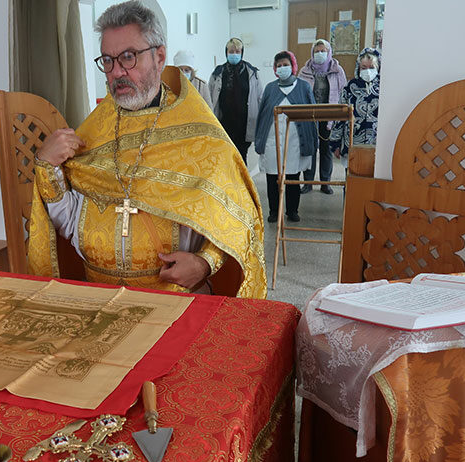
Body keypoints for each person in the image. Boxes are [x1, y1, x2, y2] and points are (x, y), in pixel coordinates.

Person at [28, 1, 267, 299]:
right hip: (99, 298)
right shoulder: (91, 135)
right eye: (107, 60)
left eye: (128, 57)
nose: (116, 72)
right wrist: (47, 166)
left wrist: (206, 263)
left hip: (176, 299)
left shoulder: (201, 138)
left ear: (159, 57)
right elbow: (71, 220)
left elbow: (236, 217)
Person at [254, 51, 318, 223]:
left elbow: (312, 115)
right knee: (272, 177)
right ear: (275, 69)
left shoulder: (303, 87)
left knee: (292, 176)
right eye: (279, 65)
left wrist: (313, 140)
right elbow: (262, 116)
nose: (282, 68)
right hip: (272, 140)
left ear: (293, 66)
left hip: (295, 141)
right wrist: (258, 140)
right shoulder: (270, 88)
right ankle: (274, 211)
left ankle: (292, 210)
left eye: (285, 64)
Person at [297, 39, 347, 194]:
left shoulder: (337, 70)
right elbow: (299, 93)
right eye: (317, 51)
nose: (320, 54)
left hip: (329, 116)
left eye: (323, 50)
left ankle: (325, 182)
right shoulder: (304, 71)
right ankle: (308, 182)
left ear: (329, 52)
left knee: (326, 149)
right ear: (312, 53)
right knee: (310, 149)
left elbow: (343, 93)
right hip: (309, 116)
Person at [208, 37, 264, 165]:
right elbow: (210, 97)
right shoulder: (218, 73)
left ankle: (243, 184)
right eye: (231, 51)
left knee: (241, 155)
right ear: (226, 53)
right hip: (224, 122)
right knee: (226, 155)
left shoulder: (252, 72)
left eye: (237, 52)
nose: (234, 54)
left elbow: (259, 97)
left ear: (242, 53)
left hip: (244, 123)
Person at [329, 48, 381, 160]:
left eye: (371, 67)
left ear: (378, 68)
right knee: (352, 175)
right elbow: (340, 116)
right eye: (364, 67)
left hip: (377, 144)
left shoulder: (384, 87)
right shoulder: (349, 87)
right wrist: (335, 143)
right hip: (352, 142)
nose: (367, 71)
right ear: (358, 68)